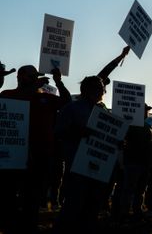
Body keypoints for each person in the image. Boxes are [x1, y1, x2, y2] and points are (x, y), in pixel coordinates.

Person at [1, 65, 71, 233]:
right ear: (21, 77)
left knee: (33, 196)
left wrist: (59, 82)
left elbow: (67, 103)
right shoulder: (8, 95)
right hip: (13, 156)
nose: (36, 79)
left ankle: (28, 225)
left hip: (41, 155)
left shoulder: (45, 98)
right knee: (9, 194)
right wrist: (34, 87)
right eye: (32, 76)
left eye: (36, 77)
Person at [53, 76, 111, 234]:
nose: (103, 92)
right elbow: (58, 132)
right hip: (76, 165)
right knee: (74, 203)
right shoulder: (71, 108)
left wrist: (116, 142)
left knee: (93, 204)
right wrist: (77, 132)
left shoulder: (102, 111)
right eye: (101, 89)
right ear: (90, 91)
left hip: (97, 166)